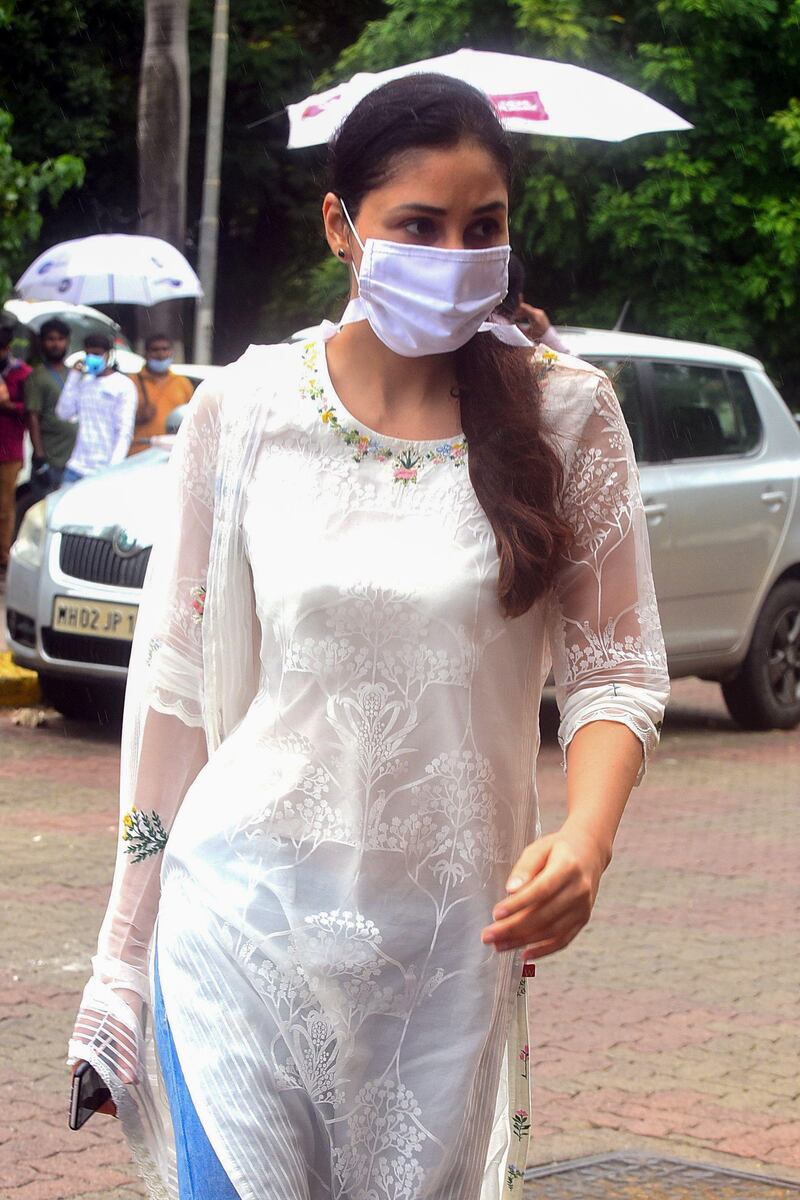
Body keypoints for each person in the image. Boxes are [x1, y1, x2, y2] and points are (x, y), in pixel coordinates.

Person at [69, 75, 670, 1200]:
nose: (452, 253)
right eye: (416, 225)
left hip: (445, 964)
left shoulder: (567, 414)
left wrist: (585, 842)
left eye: (480, 227)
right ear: (341, 227)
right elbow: (173, 699)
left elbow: (615, 675)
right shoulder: (243, 413)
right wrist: (117, 976)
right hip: (239, 932)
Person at [56, 333, 137, 482]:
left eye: (97, 354)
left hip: (103, 470)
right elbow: (63, 413)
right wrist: (73, 376)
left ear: (108, 355)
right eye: (88, 354)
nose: (92, 357)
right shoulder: (85, 382)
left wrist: (113, 468)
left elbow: (124, 431)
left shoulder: (123, 385)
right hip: (76, 468)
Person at [23, 317, 76, 494]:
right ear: (42, 342)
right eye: (51, 339)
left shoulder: (75, 374)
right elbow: (33, 418)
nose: (56, 344)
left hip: (76, 458)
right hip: (51, 458)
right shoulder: (37, 376)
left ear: (67, 341)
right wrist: (39, 456)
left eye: (60, 339)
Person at [0, 317, 31, 584]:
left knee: (4, 508)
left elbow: (29, 412)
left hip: (7, 450)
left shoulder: (21, 373)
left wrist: (7, 404)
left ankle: (2, 561)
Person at [128, 333, 194, 455]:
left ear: (171, 352)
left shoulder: (182, 383)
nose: (160, 354)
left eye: (165, 349)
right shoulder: (132, 382)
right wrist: (138, 417)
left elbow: (193, 419)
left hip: (171, 454)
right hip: (138, 452)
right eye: (155, 350)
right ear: (146, 354)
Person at [496, 252, 573, 354]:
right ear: (519, 299)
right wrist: (546, 335)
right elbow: (575, 367)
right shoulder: (517, 349)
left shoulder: (472, 334)